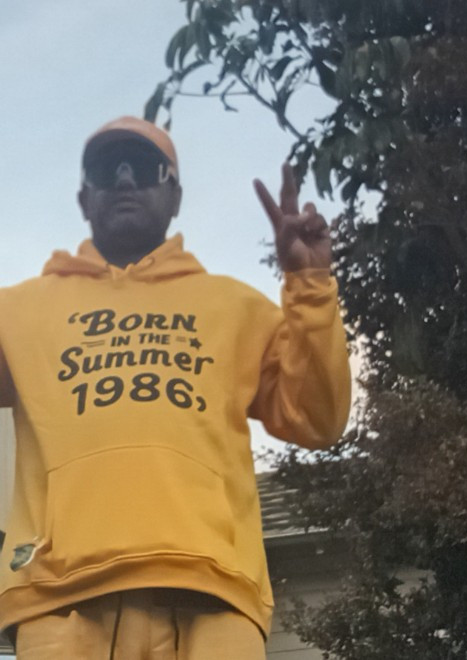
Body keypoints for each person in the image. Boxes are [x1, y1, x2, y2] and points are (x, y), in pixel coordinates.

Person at [0, 116, 351, 658]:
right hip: (61, 598)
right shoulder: (16, 312)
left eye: (144, 168)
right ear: (84, 197)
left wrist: (310, 285)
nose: (124, 180)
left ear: (176, 195)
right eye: (106, 169)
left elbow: (319, 419)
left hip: (214, 594)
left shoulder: (236, 307)